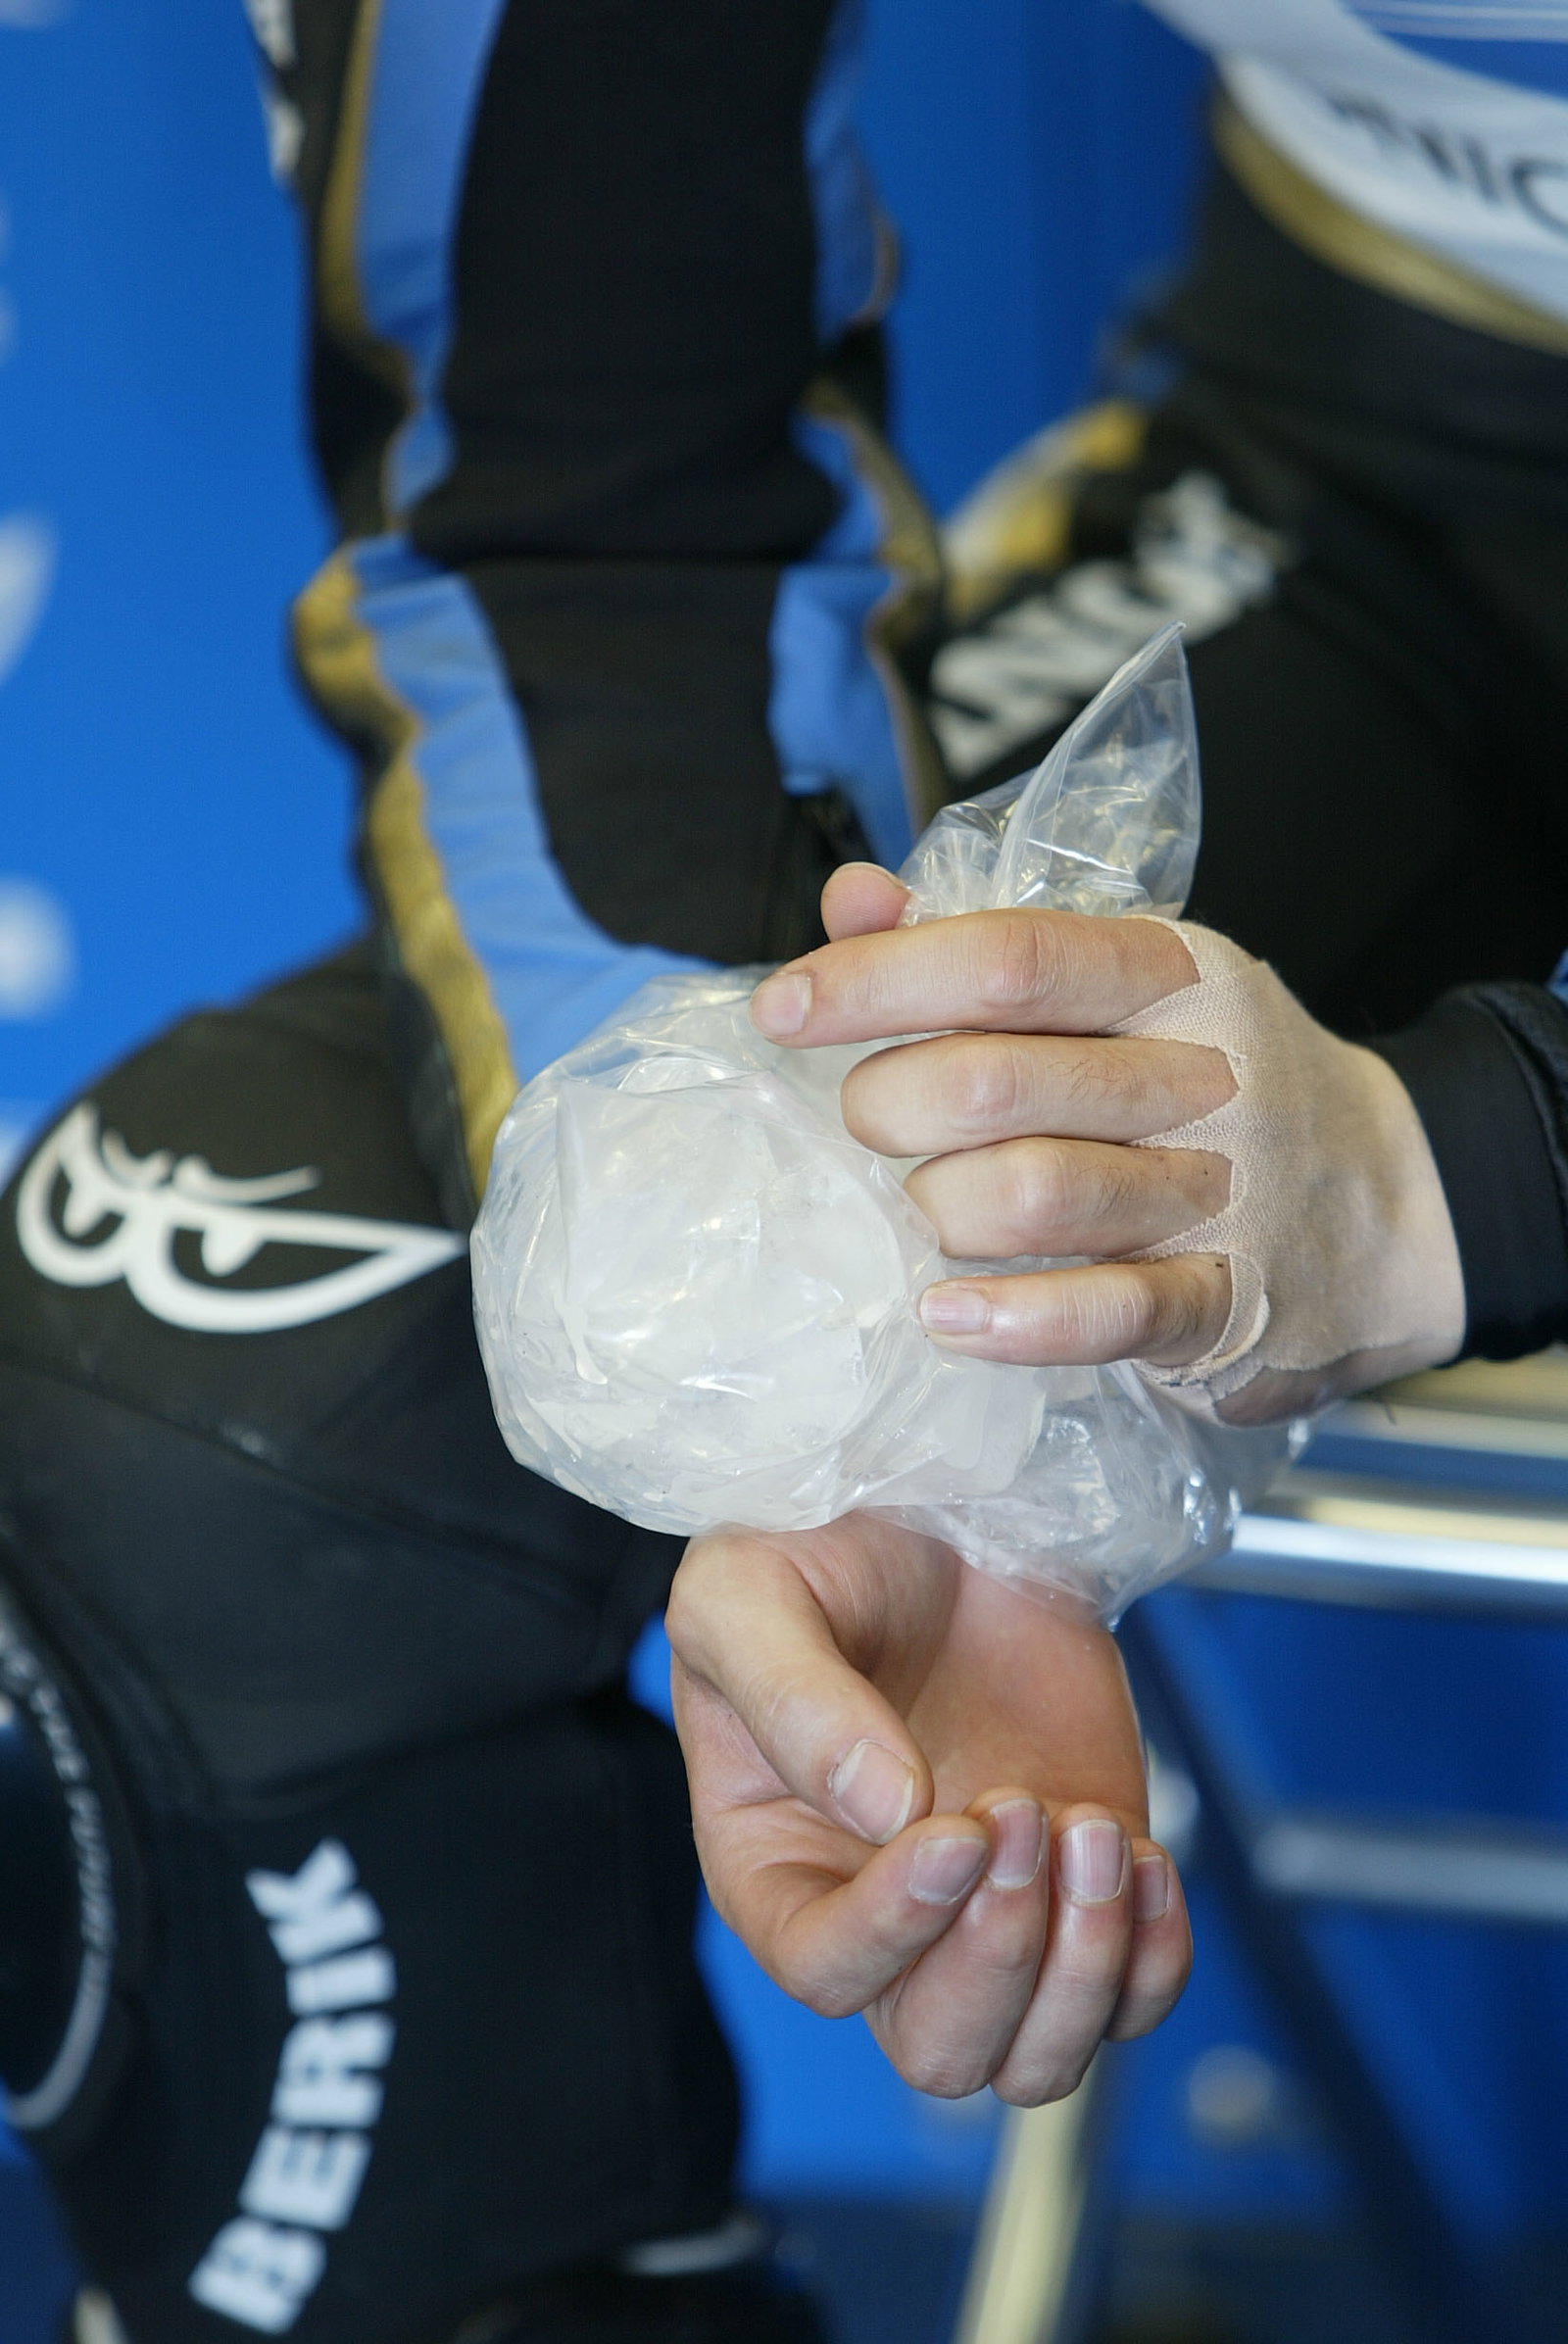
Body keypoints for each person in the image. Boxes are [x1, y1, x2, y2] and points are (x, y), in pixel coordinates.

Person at [3, 5, 1568, 2342]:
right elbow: (577, 454)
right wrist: (842, 1382)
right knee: (227, 1392)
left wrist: (1460, 1165)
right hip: (1412, 477)